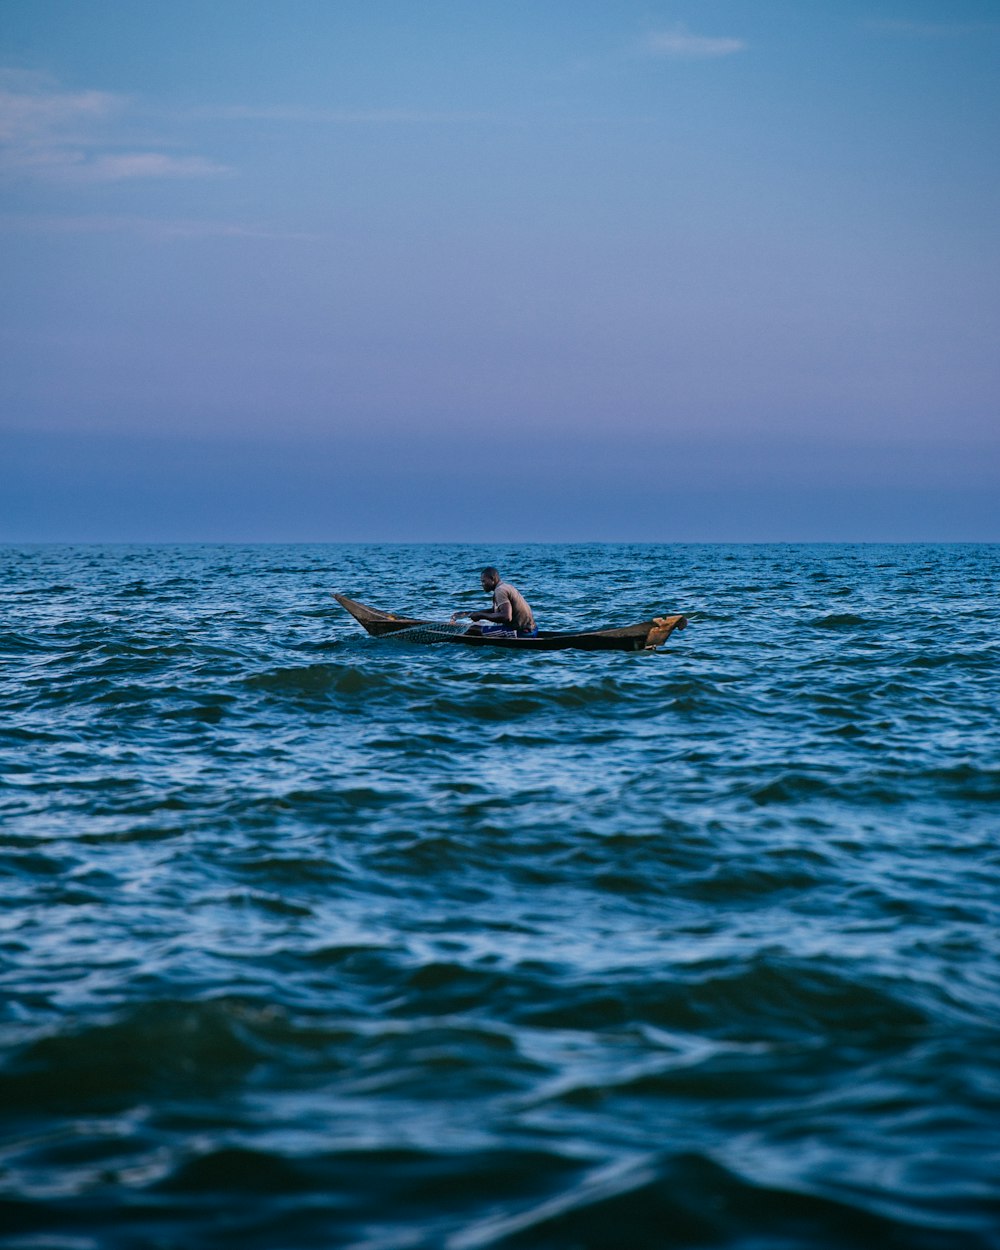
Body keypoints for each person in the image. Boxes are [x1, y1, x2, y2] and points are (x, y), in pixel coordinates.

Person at [452, 567, 537, 636]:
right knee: (480, 625)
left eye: (483, 581)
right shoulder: (505, 587)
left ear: (492, 579)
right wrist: (470, 613)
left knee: (472, 629)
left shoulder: (500, 590)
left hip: (521, 633)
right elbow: (495, 611)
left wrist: (481, 615)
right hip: (533, 629)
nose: (482, 584)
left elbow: (506, 617)